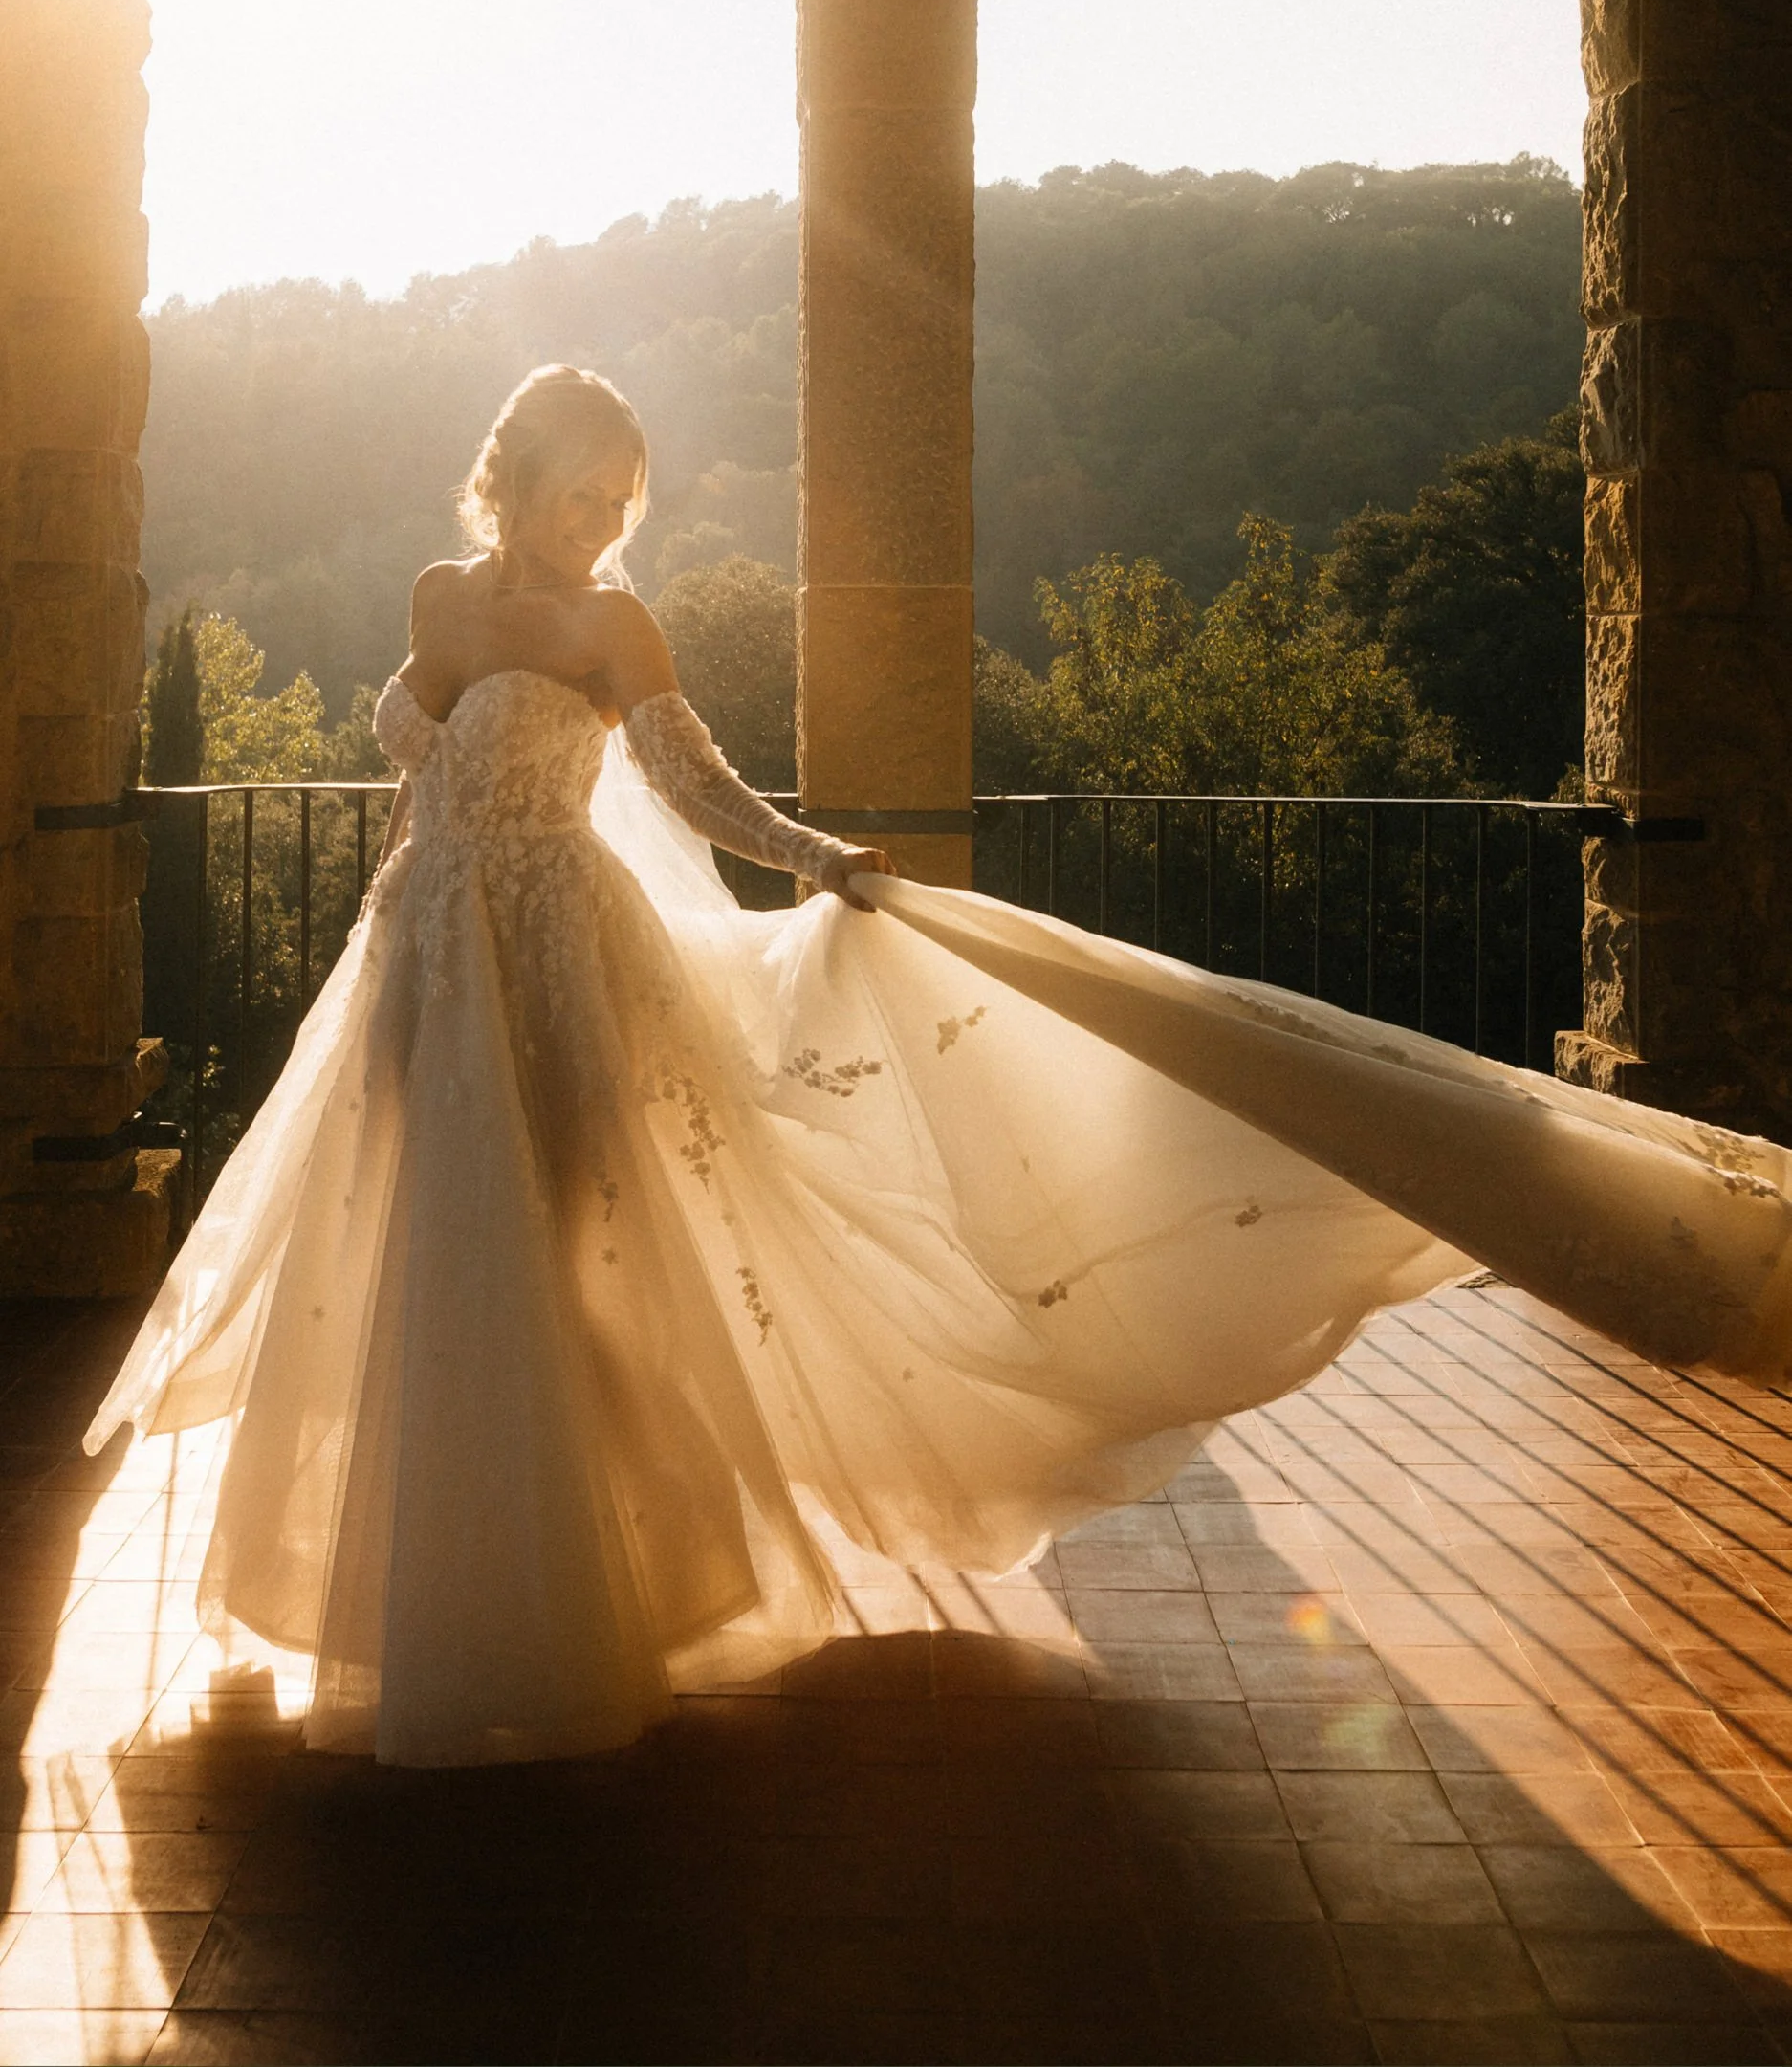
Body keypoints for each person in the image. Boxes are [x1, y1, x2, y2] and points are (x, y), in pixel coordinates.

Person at [89, 363, 1792, 1769]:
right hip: (425, 952)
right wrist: (392, 948)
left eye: (623, 498)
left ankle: (593, 1568)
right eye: (583, 490)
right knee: (417, 1248)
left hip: (557, 957)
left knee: (577, 1250)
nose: (604, 522)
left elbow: (694, 793)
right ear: (514, 474)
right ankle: (414, 1578)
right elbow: (416, 771)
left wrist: (821, 858)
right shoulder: (439, 601)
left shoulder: (625, 635)